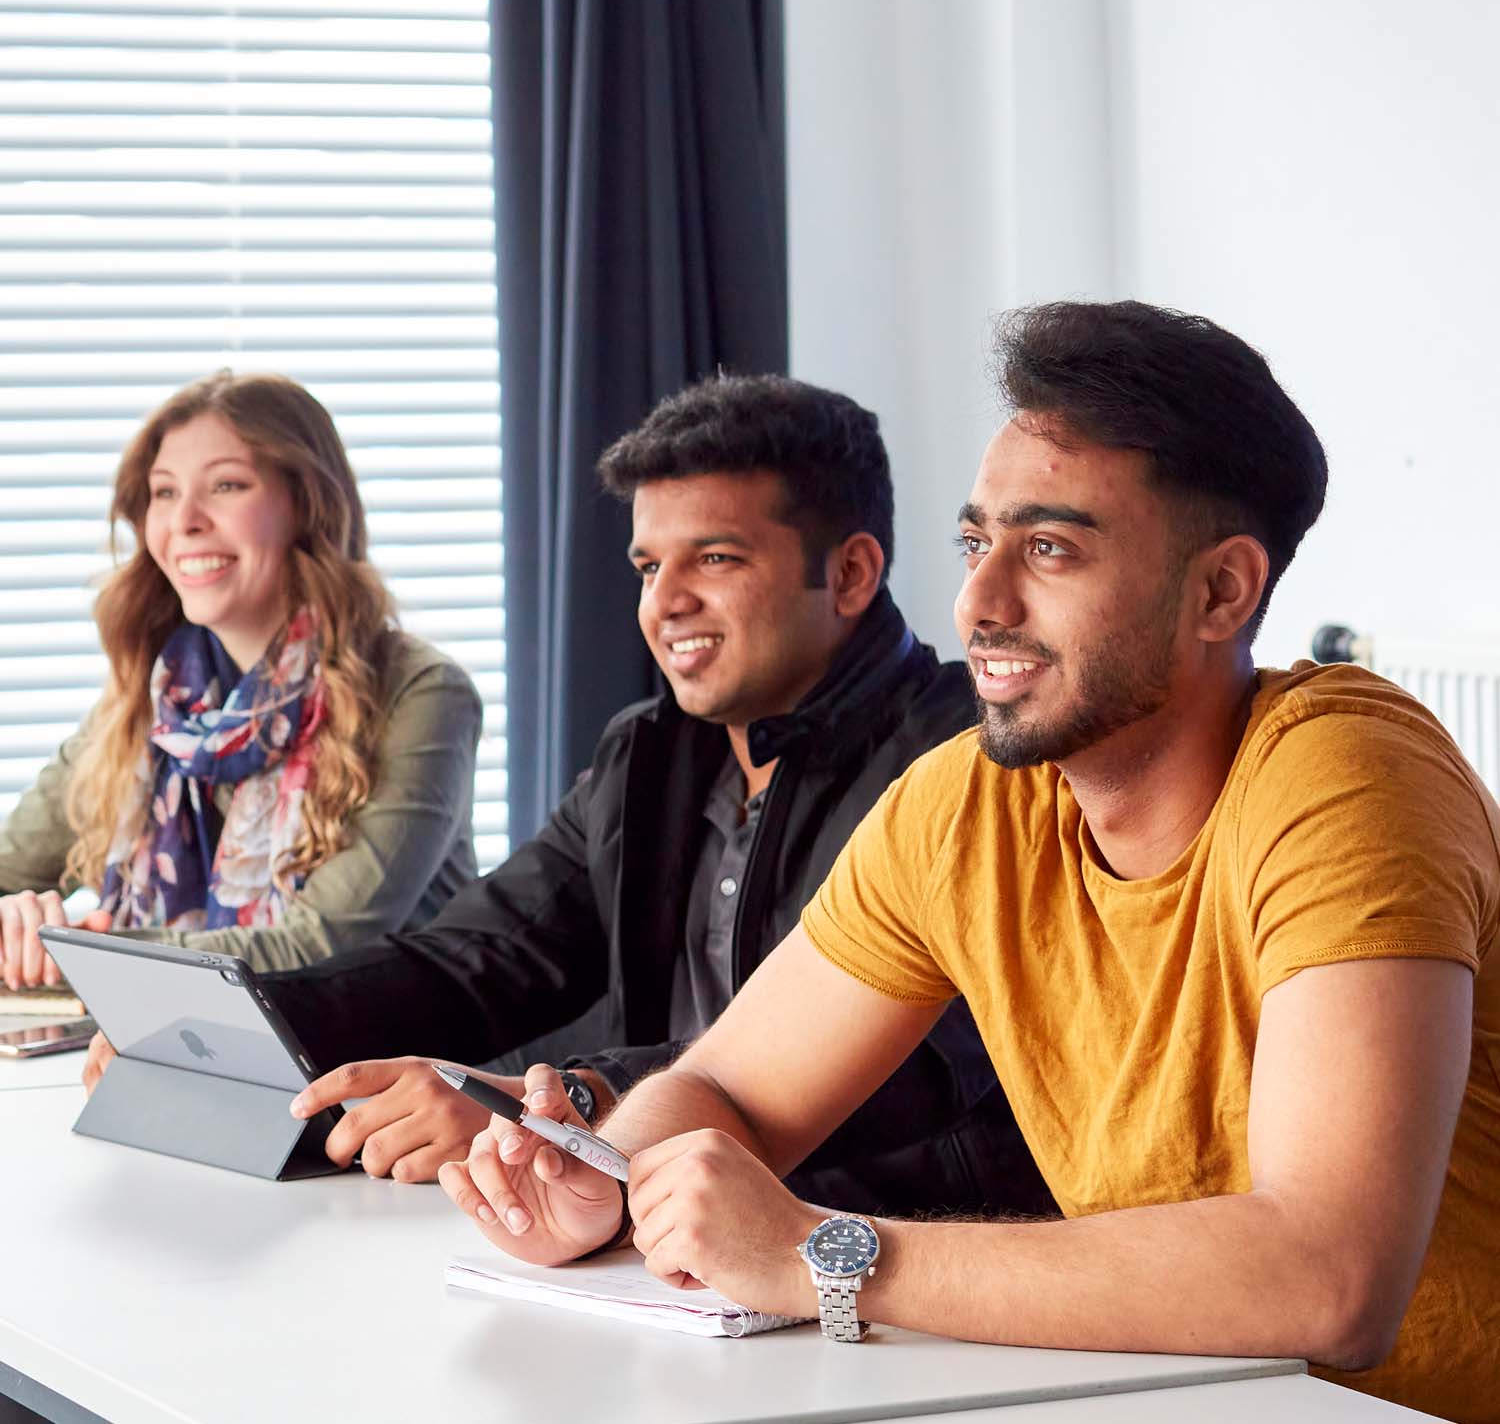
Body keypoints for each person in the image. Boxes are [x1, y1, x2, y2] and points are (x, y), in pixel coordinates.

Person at [439, 304, 1499, 1424]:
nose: (979, 604)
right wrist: (603, 1182)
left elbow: (1327, 1278)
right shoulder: (970, 802)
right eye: (975, 543)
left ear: (1221, 592)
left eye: (1049, 549)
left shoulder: (1345, 774)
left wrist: (824, 1256)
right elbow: (727, 1091)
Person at [261, 375, 1050, 1218]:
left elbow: (927, 1063)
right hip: (661, 1247)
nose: (665, 602)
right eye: (648, 565)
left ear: (851, 573)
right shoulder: (647, 753)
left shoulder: (977, 762)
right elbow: (480, 961)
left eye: (716, 558)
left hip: (898, 1258)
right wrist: (246, 1027)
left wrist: (581, 1110)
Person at [0, 371, 482, 991]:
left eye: (226, 485)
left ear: (307, 506)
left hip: (393, 1068)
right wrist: (15, 925)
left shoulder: (421, 693)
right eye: (164, 493)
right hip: (192, 1057)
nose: (186, 521)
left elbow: (325, 944)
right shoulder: (147, 704)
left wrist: (87, 953)